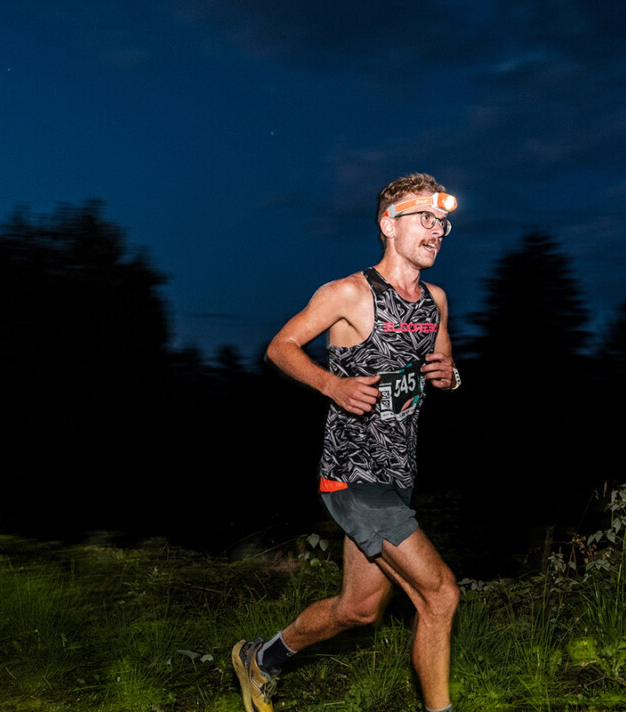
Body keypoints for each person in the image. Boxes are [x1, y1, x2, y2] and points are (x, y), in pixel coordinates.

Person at [233, 173, 463, 712]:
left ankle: (260, 659)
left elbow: (446, 366)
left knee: (357, 610)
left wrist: (452, 378)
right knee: (440, 595)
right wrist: (331, 385)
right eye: (424, 219)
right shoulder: (348, 293)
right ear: (389, 224)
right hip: (353, 475)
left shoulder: (435, 301)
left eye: (441, 223)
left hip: (399, 474)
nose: (437, 230)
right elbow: (281, 347)